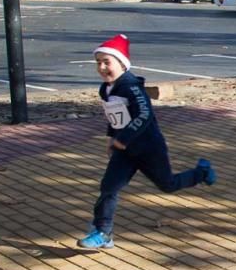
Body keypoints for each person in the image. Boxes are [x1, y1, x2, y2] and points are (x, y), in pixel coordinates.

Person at [79, 34, 216, 249]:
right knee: (108, 187)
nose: (102, 67)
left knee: (168, 185)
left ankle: (203, 172)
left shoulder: (131, 86)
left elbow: (143, 115)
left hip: (148, 148)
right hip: (124, 152)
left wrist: (122, 139)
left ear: (122, 64)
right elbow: (114, 116)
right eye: (99, 62)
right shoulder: (106, 88)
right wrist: (111, 138)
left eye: (108, 62)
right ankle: (103, 232)